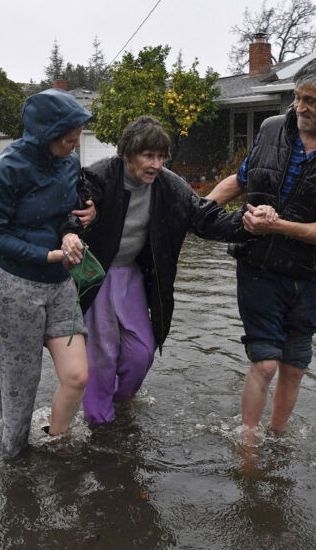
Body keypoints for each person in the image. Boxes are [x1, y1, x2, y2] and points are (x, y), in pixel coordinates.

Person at [206, 56, 316, 440]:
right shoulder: (271, 129)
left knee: (294, 368)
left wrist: (279, 225)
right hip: (258, 266)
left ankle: (277, 438)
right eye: (297, 98)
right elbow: (241, 179)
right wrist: (199, 210)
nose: (300, 108)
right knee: (265, 364)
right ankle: (248, 441)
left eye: (311, 100)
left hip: (308, 276)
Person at [68, 115, 253, 425]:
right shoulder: (99, 176)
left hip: (132, 276)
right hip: (96, 275)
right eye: (147, 156)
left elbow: (204, 218)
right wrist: (82, 216)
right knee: (102, 357)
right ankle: (99, 423)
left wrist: (248, 222)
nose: (155, 164)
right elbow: (73, 206)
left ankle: (119, 404)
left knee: (141, 352)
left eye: (161, 156)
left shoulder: (170, 185)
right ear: (127, 154)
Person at [0, 88, 92, 457]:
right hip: (14, 285)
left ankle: (57, 448)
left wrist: (74, 230)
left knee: (77, 377)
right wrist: (49, 254)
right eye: (69, 135)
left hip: (60, 282)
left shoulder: (69, 163)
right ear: (46, 134)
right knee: (20, 386)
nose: (76, 142)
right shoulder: (6, 170)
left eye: (78, 133)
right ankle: (14, 464)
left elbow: (66, 212)